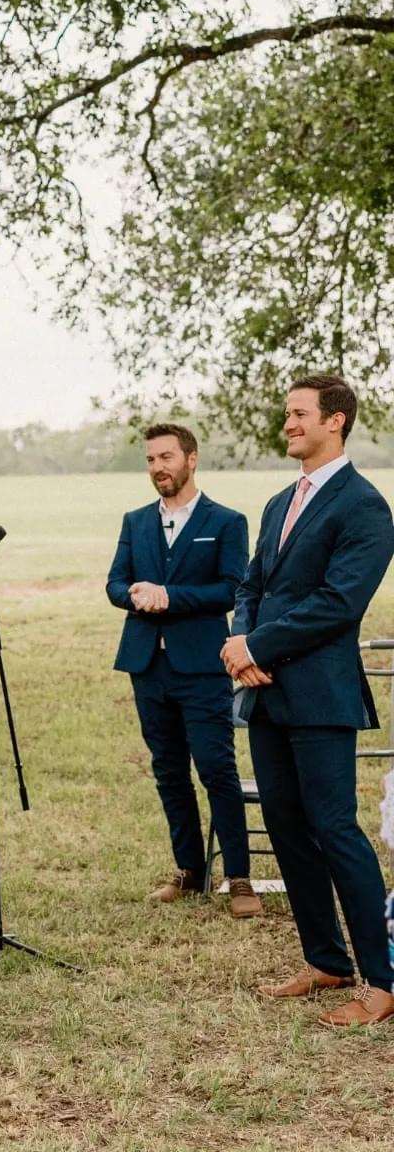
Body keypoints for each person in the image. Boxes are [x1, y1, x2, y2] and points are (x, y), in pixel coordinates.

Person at [223, 375, 394, 1027]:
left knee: (335, 830)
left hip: (320, 695)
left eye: (299, 414)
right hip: (264, 695)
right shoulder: (277, 503)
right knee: (287, 828)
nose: (289, 423)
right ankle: (326, 962)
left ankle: (381, 982)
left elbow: (338, 603)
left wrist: (257, 646)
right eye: (287, 413)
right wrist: (240, 637)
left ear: (337, 420)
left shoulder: (364, 506)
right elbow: (251, 581)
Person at [105, 423, 258, 917]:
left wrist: (171, 596)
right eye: (150, 460)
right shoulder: (134, 521)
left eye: (166, 457)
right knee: (168, 770)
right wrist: (131, 594)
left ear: (191, 459)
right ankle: (189, 871)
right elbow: (114, 582)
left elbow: (233, 589)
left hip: (202, 664)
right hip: (147, 664)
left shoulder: (227, 521)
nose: (158, 468)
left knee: (216, 769)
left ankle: (239, 878)